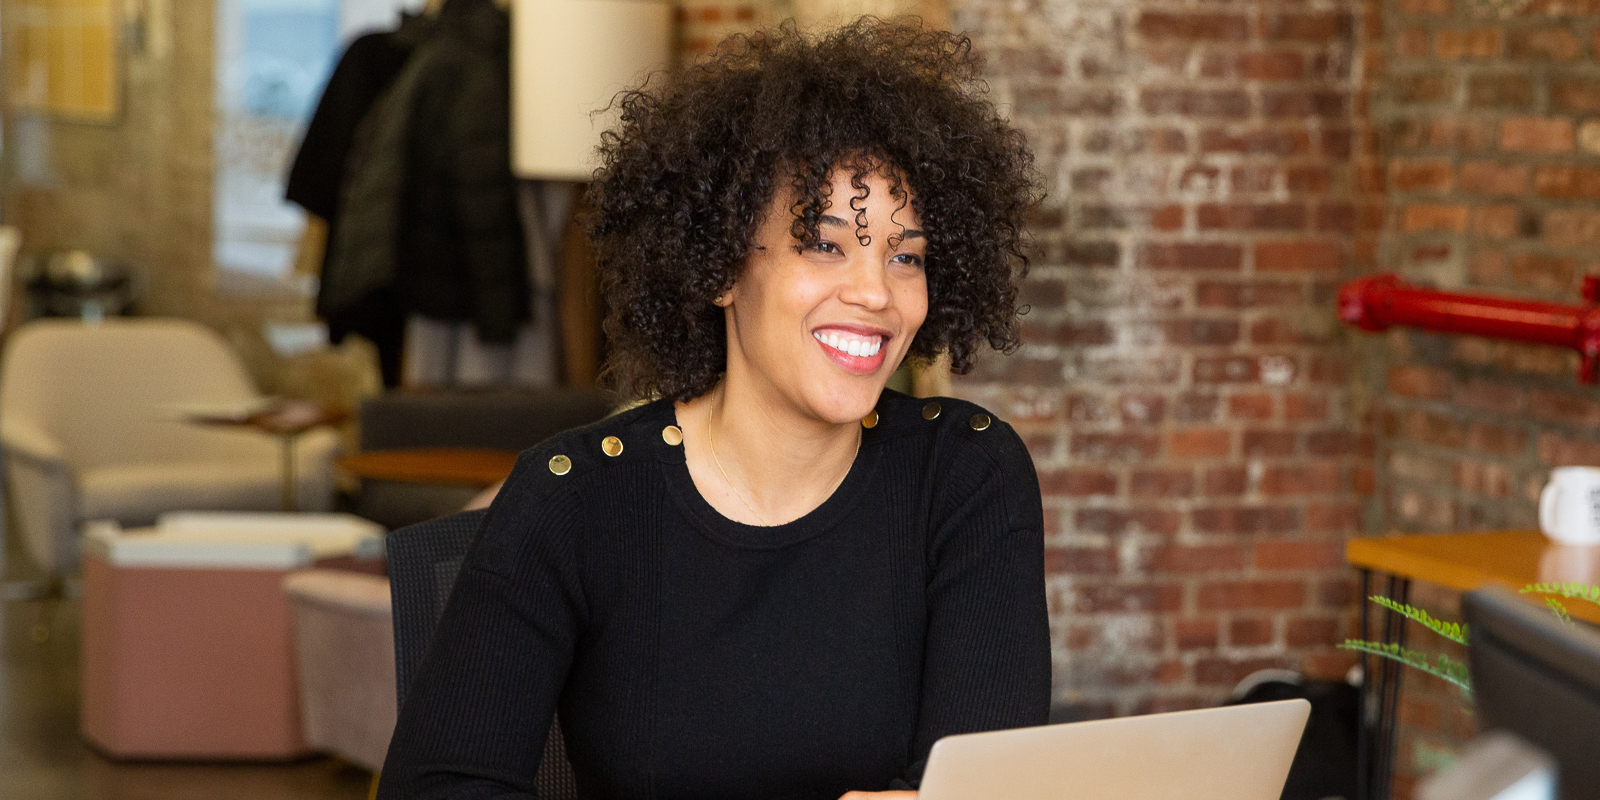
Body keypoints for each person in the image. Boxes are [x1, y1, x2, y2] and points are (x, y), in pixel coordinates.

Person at [378, 19, 1048, 800]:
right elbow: (440, 785)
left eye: (907, 257)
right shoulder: (574, 496)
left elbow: (983, 780)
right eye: (824, 244)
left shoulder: (966, 476)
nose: (876, 294)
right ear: (720, 267)